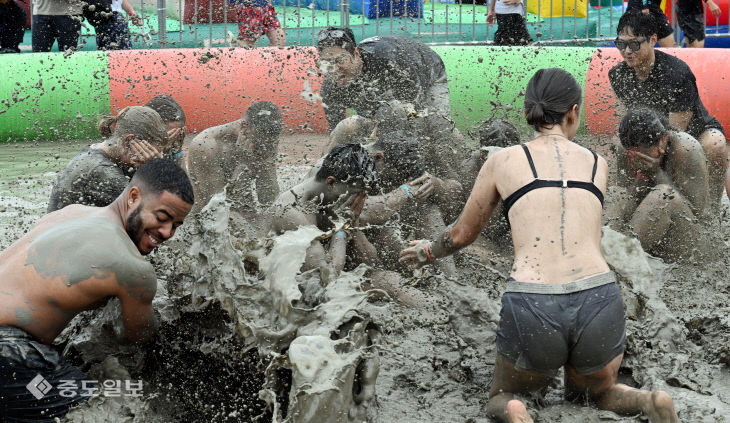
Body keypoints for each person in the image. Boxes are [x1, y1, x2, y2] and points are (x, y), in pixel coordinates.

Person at [400, 68, 680, 423]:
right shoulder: (598, 163)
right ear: (574, 112)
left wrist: (426, 251)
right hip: (598, 295)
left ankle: (518, 412)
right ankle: (650, 401)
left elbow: (461, 235)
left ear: (529, 112)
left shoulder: (501, 160)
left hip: (535, 301)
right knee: (597, 395)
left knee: (504, 396)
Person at [0, 159, 194, 422]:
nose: (167, 232)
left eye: (176, 225)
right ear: (134, 196)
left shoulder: (70, 213)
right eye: (162, 218)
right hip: (8, 355)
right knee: (111, 409)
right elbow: (140, 337)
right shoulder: (132, 268)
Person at [609, 10, 727, 208]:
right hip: (653, 132)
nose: (627, 51)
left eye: (634, 44)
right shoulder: (619, 75)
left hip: (695, 130)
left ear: (653, 39)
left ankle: (711, 207)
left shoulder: (677, 73)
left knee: (714, 144)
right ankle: (629, 201)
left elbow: (675, 132)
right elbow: (625, 119)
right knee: (620, 144)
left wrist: (654, 157)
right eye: (621, 44)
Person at [268, 143, 378, 283]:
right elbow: (326, 277)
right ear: (331, 183)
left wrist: (353, 220)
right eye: (355, 194)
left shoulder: (329, 189)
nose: (357, 201)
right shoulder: (292, 212)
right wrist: (343, 226)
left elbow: (368, 263)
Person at [611, 108, 709, 260]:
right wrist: (641, 177)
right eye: (634, 155)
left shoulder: (686, 149)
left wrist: (656, 173)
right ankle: (599, 253)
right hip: (643, 234)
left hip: (685, 242)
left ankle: (620, 259)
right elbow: (628, 201)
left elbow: (697, 214)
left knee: (663, 195)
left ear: (663, 139)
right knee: (616, 193)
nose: (639, 159)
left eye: (645, 155)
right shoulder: (626, 149)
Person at [317, 27, 452, 133]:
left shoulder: (387, 63)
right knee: (364, 126)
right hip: (388, 81)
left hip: (427, 70)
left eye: (340, 60)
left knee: (436, 125)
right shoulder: (330, 88)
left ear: (356, 53)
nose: (334, 69)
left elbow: (415, 113)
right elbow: (336, 133)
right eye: (327, 63)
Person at [47, 106, 169, 213]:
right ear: (129, 141)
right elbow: (152, 215)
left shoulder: (97, 151)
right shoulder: (101, 170)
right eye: (149, 152)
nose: (151, 157)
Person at [184, 101, 282, 213]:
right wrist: (243, 164)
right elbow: (217, 209)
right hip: (207, 220)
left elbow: (268, 202)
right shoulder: (205, 146)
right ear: (244, 126)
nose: (263, 150)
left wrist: (266, 162)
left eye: (269, 145)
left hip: (243, 213)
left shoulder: (267, 140)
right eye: (259, 145)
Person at [145, 94, 187, 160]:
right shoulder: (129, 149)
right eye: (171, 135)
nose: (173, 141)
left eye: (177, 135)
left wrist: (177, 153)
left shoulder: (173, 146)